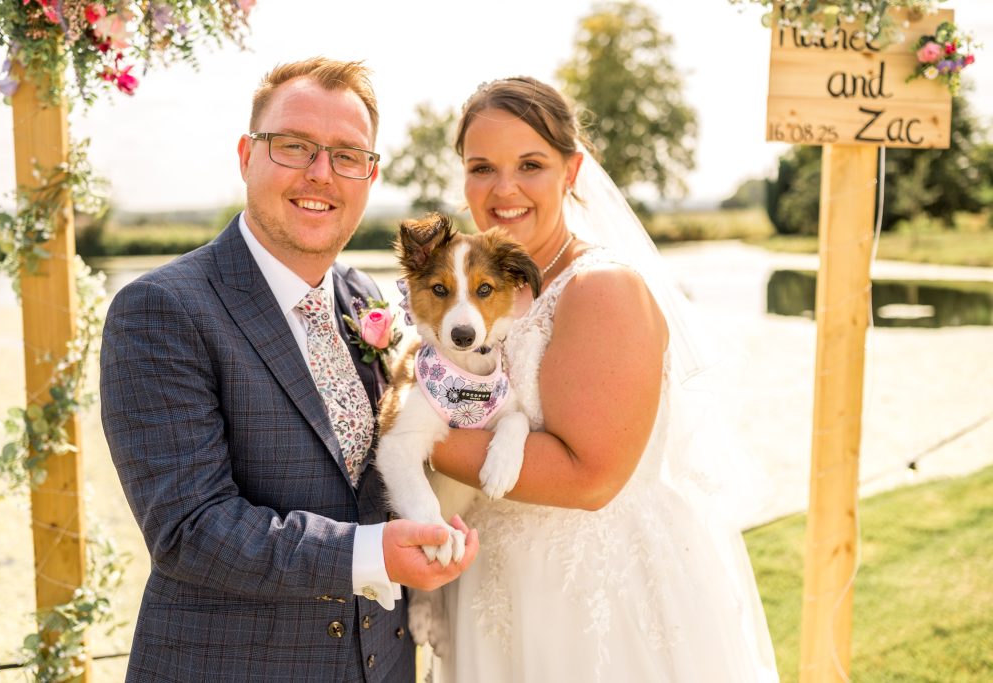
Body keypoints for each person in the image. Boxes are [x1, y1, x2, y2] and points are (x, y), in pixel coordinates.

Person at [100, 57, 478, 683]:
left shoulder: (365, 298)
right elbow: (189, 529)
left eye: (347, 155)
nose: (321, 173)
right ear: (246, 155)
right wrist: (373, 553)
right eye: (295, 146)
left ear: (370, 175)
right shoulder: (161, 310)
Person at [425, 77, 780, 681]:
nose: (504, 189)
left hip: (591, 595)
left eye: (530, 165)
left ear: (572, 171)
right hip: (490, 584)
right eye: (482, 168)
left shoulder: (601, 289)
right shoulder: (473, 293)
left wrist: (397, 431)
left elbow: (588, 477)